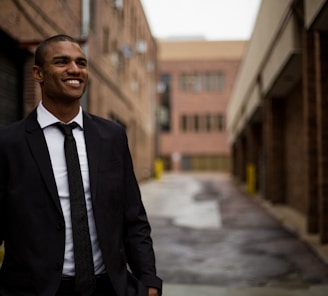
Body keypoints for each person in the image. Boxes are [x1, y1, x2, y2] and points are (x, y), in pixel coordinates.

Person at [0, 34, 162, 296]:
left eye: (81, 63)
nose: (75, 69)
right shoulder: (9, 143)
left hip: (108, 287)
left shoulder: (112, 136)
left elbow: (133, 217)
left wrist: (149, 280)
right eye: (62, 62)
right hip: (33, 290)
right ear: (38, 73)